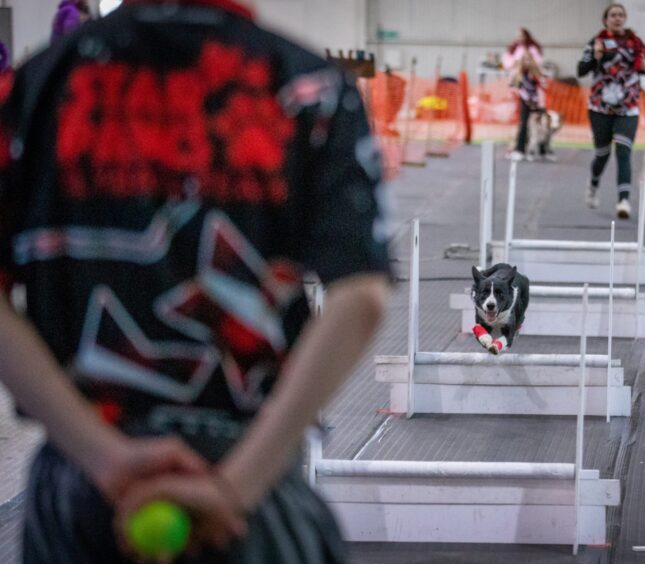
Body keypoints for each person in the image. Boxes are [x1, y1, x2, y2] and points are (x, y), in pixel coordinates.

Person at [0, 0, 392, 562]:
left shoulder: (38, 86)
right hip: (247, 479)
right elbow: (361, 299)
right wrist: (236, 487)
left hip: (82, 485)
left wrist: (103, 458)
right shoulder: (306, 87)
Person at [578, 3, 645, 219]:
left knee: (623, 151)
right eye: (613, 15)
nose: (617, 18)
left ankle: (624, 200)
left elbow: (644, 68)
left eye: (621, 15)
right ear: (605, 20)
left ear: (625, 18)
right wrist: (596, 57)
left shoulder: (635, 44)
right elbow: (581, 70)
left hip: (627, 107)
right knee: (602, 153)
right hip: (600, 107)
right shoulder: (596, 43)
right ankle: (593, 185)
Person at [509, 52, 545, 161]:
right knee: (524, 125)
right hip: (524, 102)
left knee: (539, 126)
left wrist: (540, 102)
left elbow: (541, 87)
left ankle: (543, 150)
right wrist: (518, 92)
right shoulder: (519, 75)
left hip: (536, 102)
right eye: (524, 60)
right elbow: (513, 86)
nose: (527, 62)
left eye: (529, 60)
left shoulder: (535, 74)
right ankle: (520, 149)